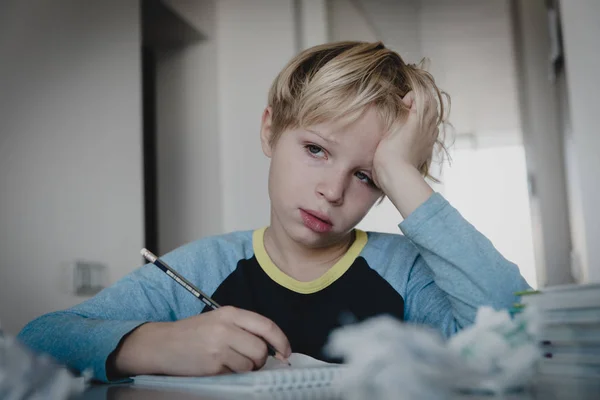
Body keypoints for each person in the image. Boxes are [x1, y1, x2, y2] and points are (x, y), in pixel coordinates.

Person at [18, 41, 530, 382]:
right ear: (270, 130)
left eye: (367, 175)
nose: (331, 191)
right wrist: (151, 343)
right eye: (316, 150)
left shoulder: (407, 273)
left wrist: (401, 173)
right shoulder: (203, 267)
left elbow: (525, 337)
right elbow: (38, 340)